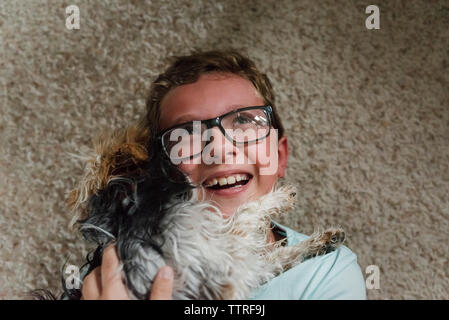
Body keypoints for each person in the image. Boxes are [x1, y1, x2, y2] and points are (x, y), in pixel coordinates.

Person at [81, 50, 367, 300]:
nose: (219, 149)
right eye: (188, 135)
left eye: (244, 121)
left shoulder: (327, 270)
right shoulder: (120, 269)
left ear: (279, 157)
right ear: (159, 170)